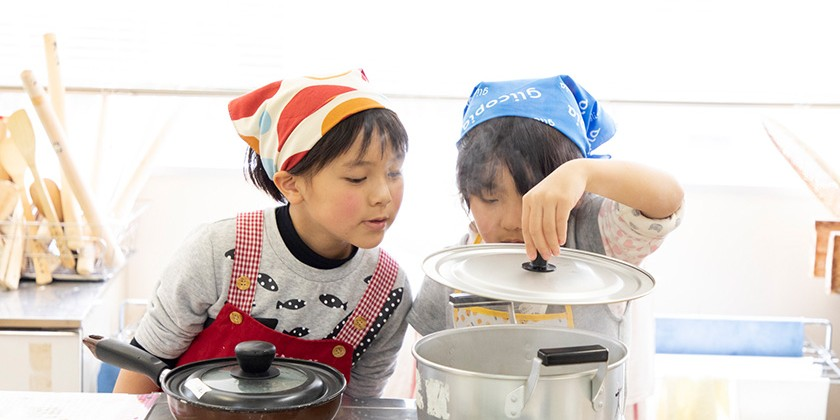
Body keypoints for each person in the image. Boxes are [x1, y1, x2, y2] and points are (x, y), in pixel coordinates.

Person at [114, 69, 412, 399]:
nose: (383, 194)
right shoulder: (219, 252)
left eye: (394, 172)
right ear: (292, 184)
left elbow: (359, 406)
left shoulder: (387, 289)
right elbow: (143, 367)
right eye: (357, 178)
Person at [407, 74, 684, 418]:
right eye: (490, 198)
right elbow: (429, 371)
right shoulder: (454, 269)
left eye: (531, 195)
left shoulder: (596, 236)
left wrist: (582, 172)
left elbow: (667, 199)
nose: (512, 220)